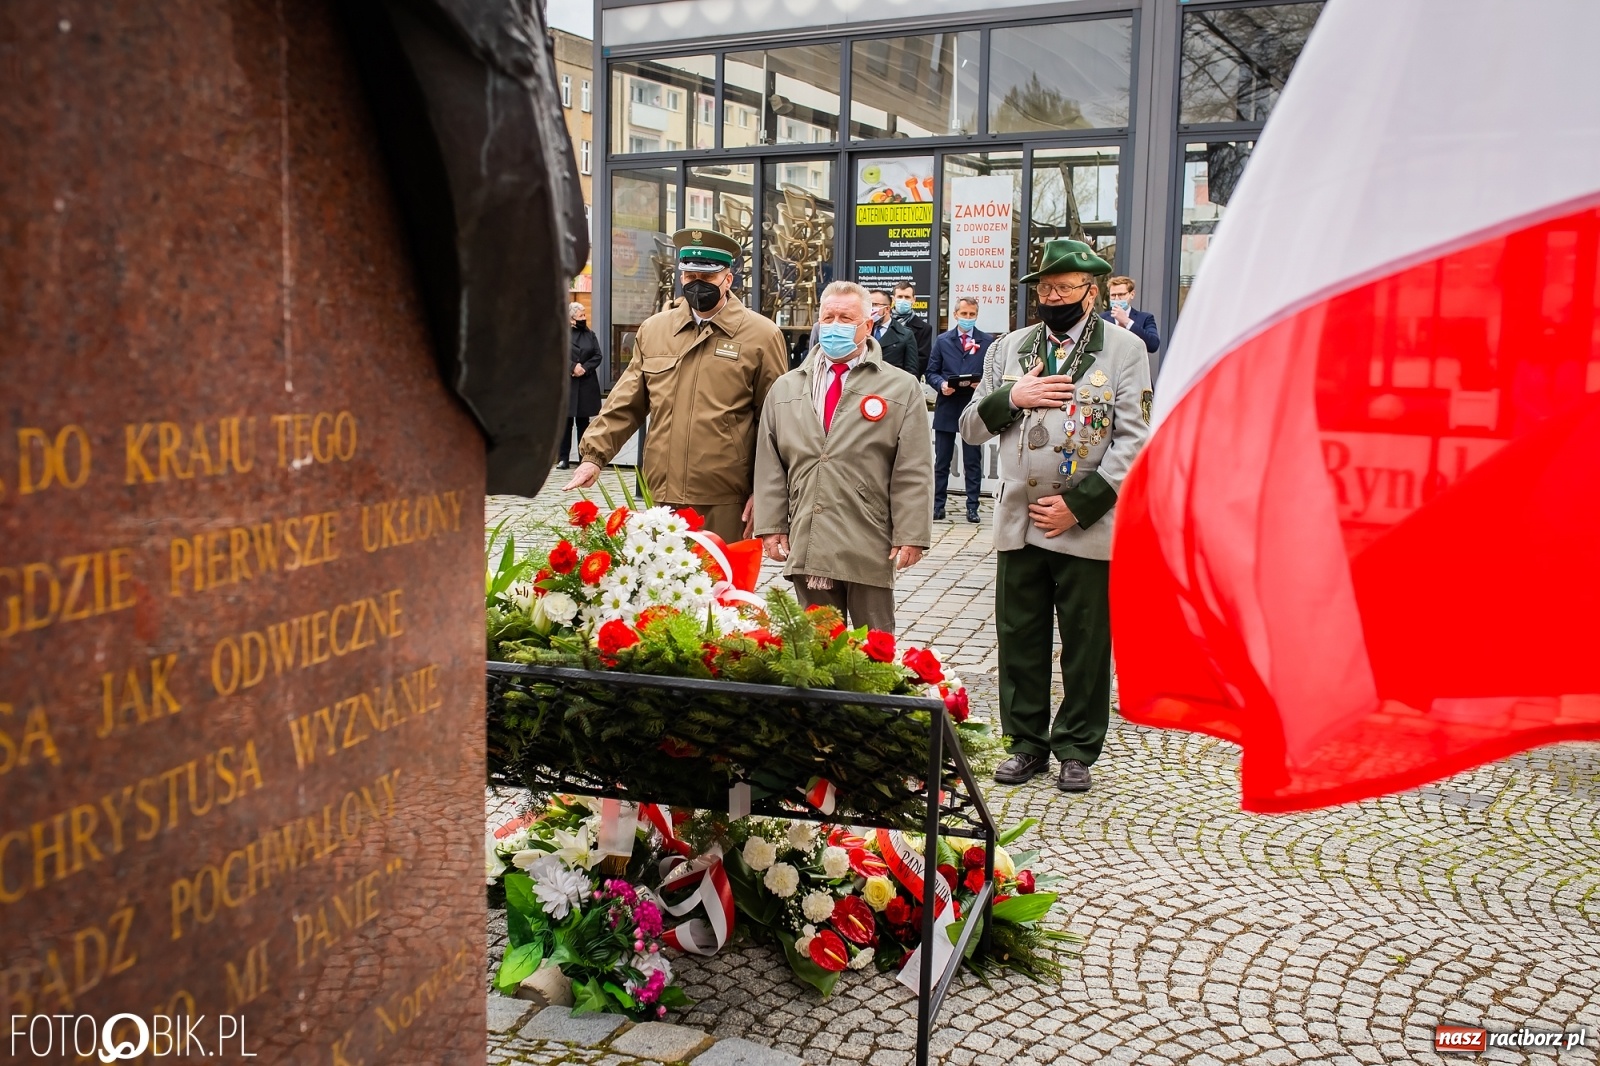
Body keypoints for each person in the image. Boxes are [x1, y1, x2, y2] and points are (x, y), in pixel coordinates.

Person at [959, 239, 1151, 793]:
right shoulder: (1011, 347)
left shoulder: (1123, 349)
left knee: (1087, 639)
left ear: (1090, 292)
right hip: (1019, 517)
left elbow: (1135, 440)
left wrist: (1079, 505)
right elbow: (972, 427)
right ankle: (1025, 743)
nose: (1052, 297)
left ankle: (1076, 747)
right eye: (1045, 288)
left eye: (1064, 288)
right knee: (1019, 634)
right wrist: (1011, 397)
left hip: (1083, 521)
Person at [564, 228, 788, 543]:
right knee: (661, 587)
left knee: (721, 586)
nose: (696, 284)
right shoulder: (655, 330)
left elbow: (774, 423)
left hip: (726, 497)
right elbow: (626, 402)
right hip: (661, 492)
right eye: (689, 276)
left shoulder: (761, 335)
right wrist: (593, 456)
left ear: (728, 279)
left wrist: (766, 493)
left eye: (706, 277)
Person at [753, 280, 933, 632]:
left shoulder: (900, 387)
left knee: (873, 649)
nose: (834, 325)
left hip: (869, 536)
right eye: (828, 317)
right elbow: (770, 465)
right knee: (817, 646)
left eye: (845, 317)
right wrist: (772, 526)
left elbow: (913, 468)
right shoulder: (787, 387)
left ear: (867, 325)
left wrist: (912, 533)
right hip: (809, 533)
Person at [924, 296, 994, 523]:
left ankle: (972, 506)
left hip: (972, 406)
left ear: (977, 315)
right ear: (955, 315)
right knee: (942, 460)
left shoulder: (986, 341)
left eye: (971, 314)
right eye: (963, 314)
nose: (967, 318)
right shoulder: (943, 340)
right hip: (948, 404)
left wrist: (981, 382)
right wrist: (941, 384)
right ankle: (938, 505)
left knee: (972, 460)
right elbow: (932, 371)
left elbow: (992, 372)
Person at [560, 302, 602, 470]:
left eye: (585, 315)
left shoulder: (590, 335)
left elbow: (598, 355)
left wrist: (584, 368)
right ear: (571, 319)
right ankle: (563, 458)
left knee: (584, 423)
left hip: (586, 383)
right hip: (568, 384)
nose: (584, 318)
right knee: (566, 423)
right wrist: (572, 366)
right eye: (581, 316)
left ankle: (583, 457)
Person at [1101, 275, 1161, 366]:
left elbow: (1153, 345)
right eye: (1113, 295)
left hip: (1135, 371)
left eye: (1121, 294)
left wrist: (1126, 321)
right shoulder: (1102, 319)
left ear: (1132, 294)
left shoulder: (1146, 318)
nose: (1117, 299)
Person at [869, 289, 920, 378]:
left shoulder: (905, 334)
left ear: (887, 308)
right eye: (868, 305)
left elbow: (911, 371)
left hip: (892, 386)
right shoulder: (862, 331)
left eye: (874, 305)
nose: (870, 309)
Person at [891, 280, 932, 377]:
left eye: (907, 297)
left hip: (908, 381)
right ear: (893, 299)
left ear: (914, 300)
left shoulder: (924, 328)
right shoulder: (882, 323)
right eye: (900, 297)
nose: (903, 300)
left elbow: (922, 360)